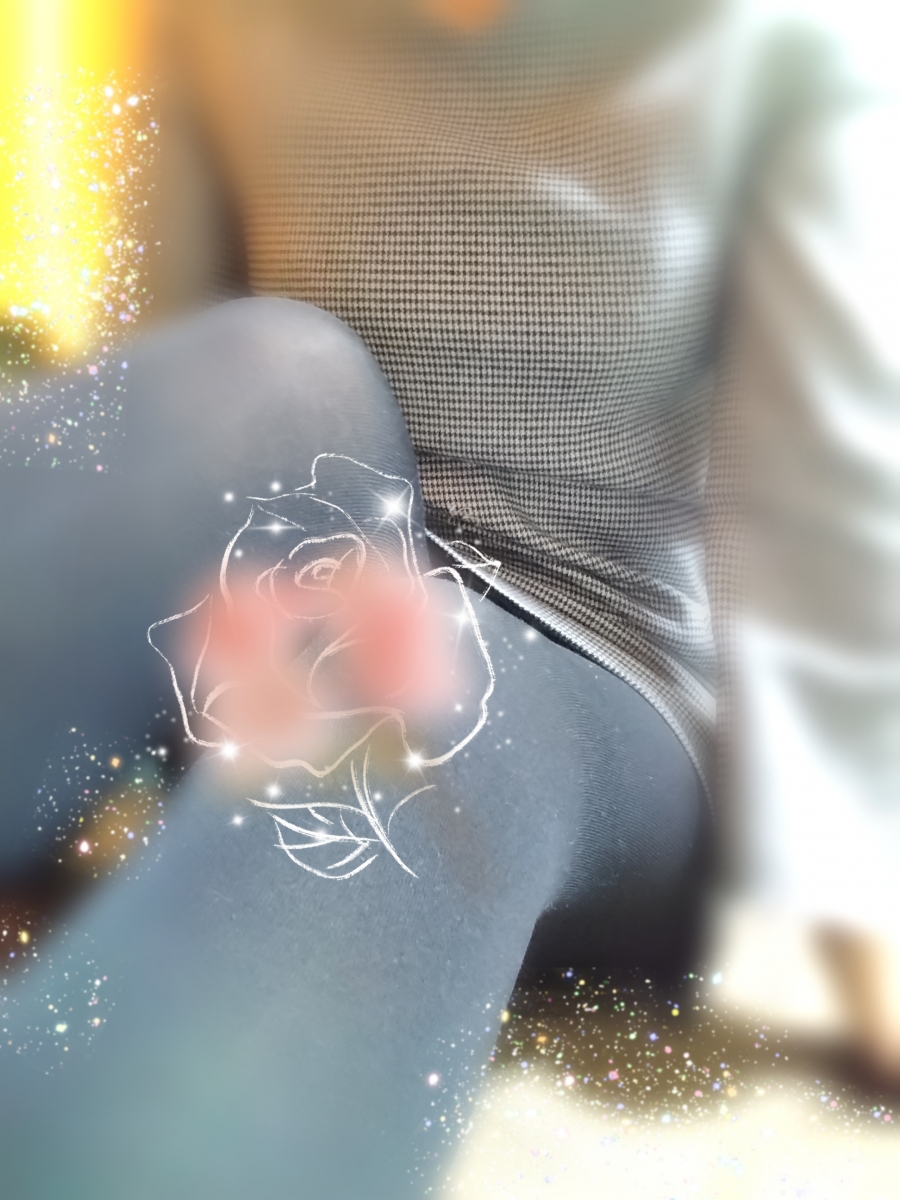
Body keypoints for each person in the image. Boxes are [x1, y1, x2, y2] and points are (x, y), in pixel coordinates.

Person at [0, 0, 897, 1194]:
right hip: (288, 599)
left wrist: (868, 941)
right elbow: (158, 407)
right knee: (274, 370)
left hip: (598, 667)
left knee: (405, 676)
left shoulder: (777, 43)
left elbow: (819, 518)